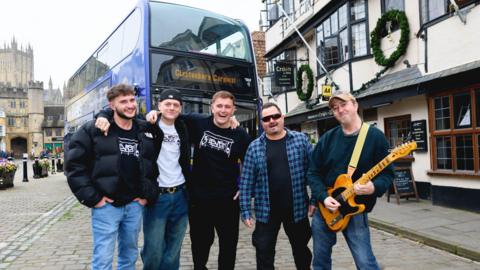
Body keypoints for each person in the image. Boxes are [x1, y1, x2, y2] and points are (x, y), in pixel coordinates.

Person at [147, 90, 251, 270]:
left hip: (228, 201)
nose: (223, 110)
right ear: (211, 107)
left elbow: (251, 163)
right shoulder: (197, 122)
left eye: (227, 107)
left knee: (228, 246)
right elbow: (172, 112)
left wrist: (245, 187)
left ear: (234, 110)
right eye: (219, 106)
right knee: (200, 244)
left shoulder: (240, 135)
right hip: (199, 199)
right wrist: (155, 113)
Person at [65, 84, 160, 270]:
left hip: (134, 205)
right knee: (103, 260)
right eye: (123, 101)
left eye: (132, 100)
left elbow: (152, 164)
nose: (130, 105)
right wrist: (94, 198)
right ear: (112, 105)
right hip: (106, 206)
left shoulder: (144, 129)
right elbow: (75, 166)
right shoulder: (93, 129)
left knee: (129, 258)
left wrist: (147, 194)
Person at [96, 88, 191, 269]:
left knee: (173, 250)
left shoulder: (184, 126)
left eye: (176, 105)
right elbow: (119, 111)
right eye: (167, 104)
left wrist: (233, 118)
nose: (171, 108)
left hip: (181, 194)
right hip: (157, 196)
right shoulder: (146, 125)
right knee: (153, 250)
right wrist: (103, 115)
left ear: (181, 108)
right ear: (159, 106)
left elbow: (213, 118)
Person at [307, 91, 394, 270]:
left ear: (355, 105)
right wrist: (322, 197)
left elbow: (387, 175)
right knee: (320, 261)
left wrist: (373, 187)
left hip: (355, 210)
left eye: (343, 104)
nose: (339, 110)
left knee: (365, 262)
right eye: (335, 108)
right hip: (325, 208)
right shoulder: (328, 138)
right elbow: (313, 172)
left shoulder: (375, 137)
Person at [239, 102, 314, 270]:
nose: (271, 121)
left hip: (297, 209)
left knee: (301, 251)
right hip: (266, 212)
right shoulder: (254, 147)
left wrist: (315, 200)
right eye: (266, 118)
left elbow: (314, 172)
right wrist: (245, 210)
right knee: (264, 253)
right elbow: (246, 181)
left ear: (283, 117)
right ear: (262, 123)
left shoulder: (301, 140)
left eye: (275, 116)